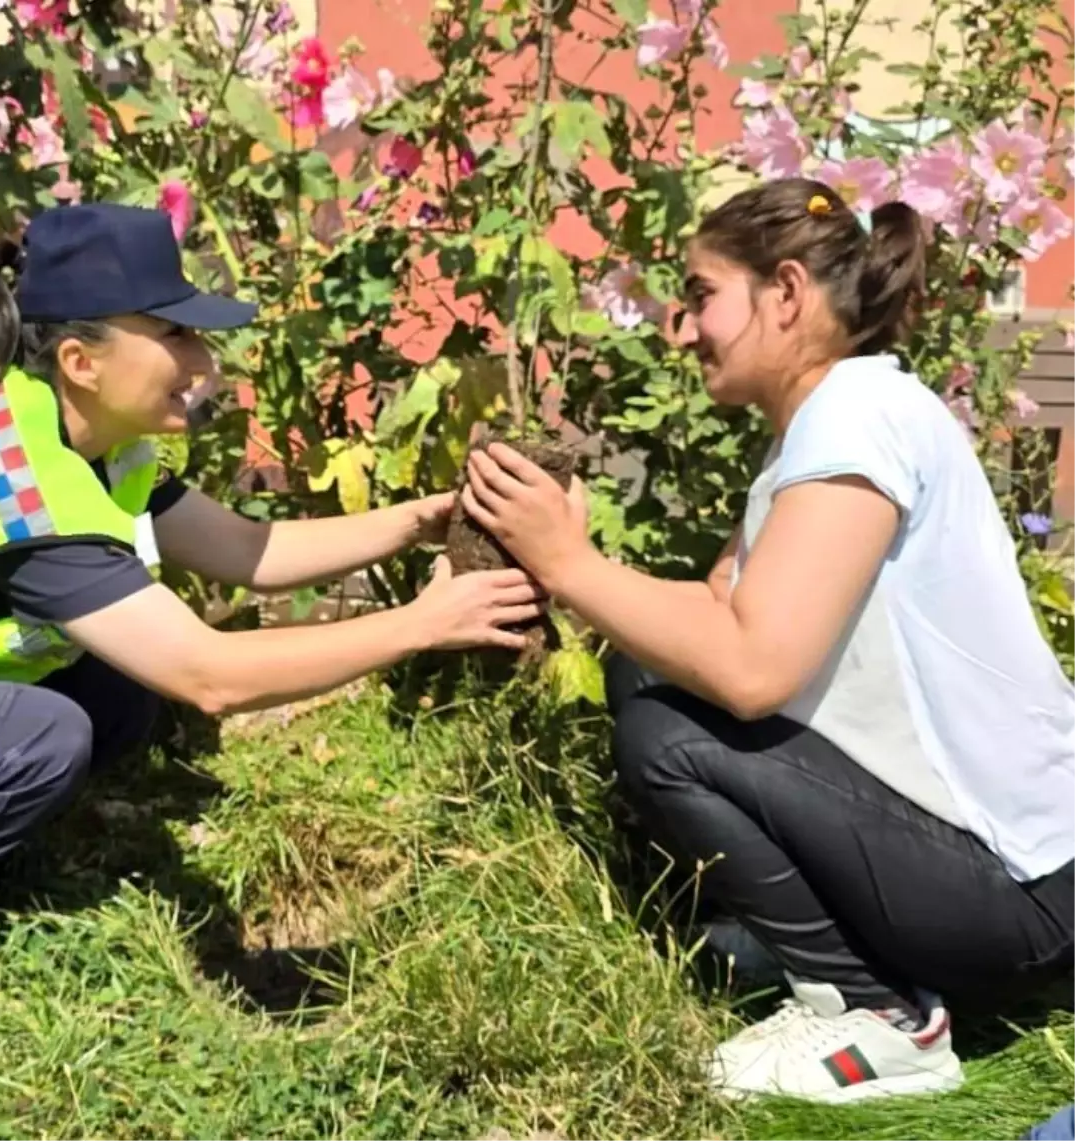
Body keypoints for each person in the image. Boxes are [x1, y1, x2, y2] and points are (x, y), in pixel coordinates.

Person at [457, 176, 1075, 1104]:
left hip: (1022, 895)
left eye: (702, 294)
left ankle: (885, 1019)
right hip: (1014, 875)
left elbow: (751, 671)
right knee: (648, 674)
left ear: (784, 293)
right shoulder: (835, 418)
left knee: (671, 737)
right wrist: (562, 564)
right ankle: (829, 952)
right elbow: (711, 610)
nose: (682, 326)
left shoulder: (856, 419)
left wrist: (575, 565)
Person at [0, 202, 545, 1047]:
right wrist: (421, 623)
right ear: (82, 359)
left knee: (114, 689)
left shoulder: (70, 425)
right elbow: (212, 676)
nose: (205, 363)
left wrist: (421, 517)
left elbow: (244, 549)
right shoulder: (21, 485)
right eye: (176, 337)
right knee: (43, 732)